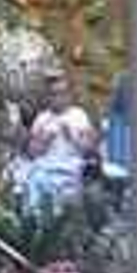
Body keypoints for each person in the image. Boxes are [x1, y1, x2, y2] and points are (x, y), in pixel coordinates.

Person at [25, 74, 97, 210]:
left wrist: (72, 138)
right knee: (35, 179)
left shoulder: (79, 115)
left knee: (67, 186)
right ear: (48, 97)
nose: (58, 98)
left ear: (69, 95)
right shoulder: (42, 118)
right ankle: (35, 217)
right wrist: (44, 142)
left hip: (72, 166)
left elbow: (90, 149)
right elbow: (31, 153)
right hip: (45, 166)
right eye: (54, 94)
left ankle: (61, 215)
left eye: (62, 93)